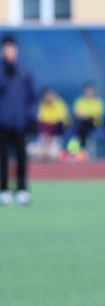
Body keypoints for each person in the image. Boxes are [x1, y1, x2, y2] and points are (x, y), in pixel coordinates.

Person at [0, 35, 37, 206]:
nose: (9, 52)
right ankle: (4, 190)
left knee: (22, 158)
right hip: (2, 124)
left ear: (16, 50)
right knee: (2, 158)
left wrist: (31, 118)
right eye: (6, 49)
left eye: (11, 49)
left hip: (21, 123)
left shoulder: (24, 72)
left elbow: (31, 97)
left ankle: (21, 189)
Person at [29, 88, 71, 162]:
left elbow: (63, 123)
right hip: (43, 138)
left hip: (55, 137)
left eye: (50, 95)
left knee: (54, 155)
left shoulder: (60, 104)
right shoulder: (42, 105)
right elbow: (41, 123)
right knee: (31, 151)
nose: (49, 97)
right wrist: (45, 135)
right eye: (46, 96)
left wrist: (51, 135)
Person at [72, 81, 105, 159]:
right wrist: (86, 115)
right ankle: (81, 150)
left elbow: (96, 115)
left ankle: (81, 149)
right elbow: (77, 114)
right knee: (81, 124)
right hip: (82, 123)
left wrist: (85, 115)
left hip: (94, 124)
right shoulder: (79, 101)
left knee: (82, 125)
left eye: (91, 90)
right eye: (87, 90)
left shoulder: (98, 102)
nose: (89, 92)